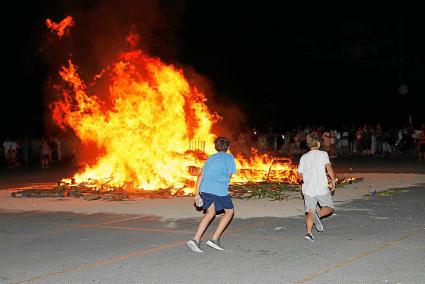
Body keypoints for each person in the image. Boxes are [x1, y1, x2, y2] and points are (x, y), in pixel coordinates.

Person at [187, 137, 237, 252]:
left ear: (216, 147)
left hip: (205, 188)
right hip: (219, 189)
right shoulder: (229, 158)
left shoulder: (211, 158)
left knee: (210, 212)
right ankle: (214, 239)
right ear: (228, 147)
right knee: (229, 212)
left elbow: (200, 176)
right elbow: (229, 175)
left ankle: (196, 239)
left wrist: (196, 194)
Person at [298, 132, 336, 242]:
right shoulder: (323, 154)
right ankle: (318, 215)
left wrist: (303, 177)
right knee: (329, 207)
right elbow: (329, 169)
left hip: (308, 189)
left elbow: (299, 174)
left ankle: (309, 233)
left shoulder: (304, 157)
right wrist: (333, 181)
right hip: (321, 188)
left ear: (308, 145)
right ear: (318, 143)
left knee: (310, 211)